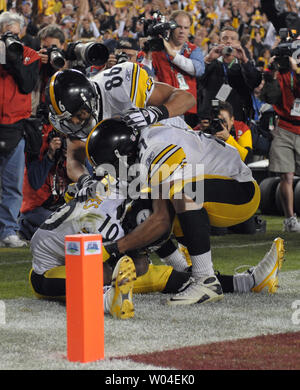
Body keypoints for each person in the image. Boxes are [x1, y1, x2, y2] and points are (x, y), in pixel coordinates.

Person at [84, 117, 261, 305]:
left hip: (241, 191)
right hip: (217, 184)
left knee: (179, 196)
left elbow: (161, 221)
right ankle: (188, 273)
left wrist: (113, 248)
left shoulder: (155, 152)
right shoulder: (149, 136)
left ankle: (205, 280)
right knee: (143, 210)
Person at [45, 62, 196, 183]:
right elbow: (74, 160)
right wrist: (85, 180)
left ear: (89, 100)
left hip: (176, 145)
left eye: (78, 115)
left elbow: (187, 98)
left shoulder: (121, 85)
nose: (76, 123)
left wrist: (155, 113)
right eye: (69, 120)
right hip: (136, 172)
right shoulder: (74, 122)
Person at [0, 11, 40, 248]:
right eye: (6, 33)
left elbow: (26, 85)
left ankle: (8, 230)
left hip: (16, 126)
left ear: (22, 33)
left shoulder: (30, 55)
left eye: (14, 33)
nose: (11, 37)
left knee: (12, 183)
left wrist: (14, 58)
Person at [260, 53, 300, 232]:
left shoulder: (294, 71)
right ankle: (290, 219)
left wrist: (296, 71)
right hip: (284, 127)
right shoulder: (281, 72)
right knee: (286, 176)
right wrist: (270, 74)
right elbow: (269, 98)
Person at [145, 10, 205, 128]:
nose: (182, 31)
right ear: (170, 27)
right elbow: (147, 76)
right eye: (179, 27)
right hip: (164, 109)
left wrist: (172, 54)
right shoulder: (156, 51)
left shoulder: (193, 50)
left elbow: (198, 70)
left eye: (186, 28)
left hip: (187, 109)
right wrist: (148, 53)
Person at [199, 26, 262, 123]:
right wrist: (208, 59)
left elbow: (255, 82)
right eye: (225, 38)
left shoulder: (244, 66)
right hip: (210, 118)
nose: (228, 41)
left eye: (232, 39)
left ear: (238, 43)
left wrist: (245, 60)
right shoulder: (211, 63)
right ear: (219, 42)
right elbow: (197, 80)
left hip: (237, 120)